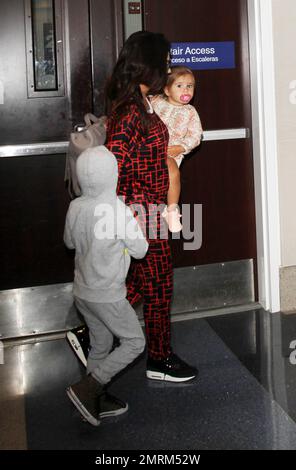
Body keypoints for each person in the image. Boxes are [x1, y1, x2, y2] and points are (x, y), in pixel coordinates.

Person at [68, 31, 198, 383]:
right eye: (165, 62)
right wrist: (123, 218)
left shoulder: (140, 102)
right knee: (158, 286)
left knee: (142, 283)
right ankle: (159, 357)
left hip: (147, 209)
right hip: (140, 212)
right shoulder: (129, 111)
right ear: (149, 65)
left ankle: (89, 330)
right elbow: (114, 166)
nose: (168, 68)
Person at [64, 146, 148, 426]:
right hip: (108, 294)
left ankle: (92, 399)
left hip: (82, 292)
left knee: (101, 343)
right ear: (114, 174)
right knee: (135, 342)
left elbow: (70, 243)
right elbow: (140, 250)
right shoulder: (119, 211)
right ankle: (90, 387)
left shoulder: (75, 206)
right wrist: (135, 224)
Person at [151, 66, 203, 232]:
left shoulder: (190, 112)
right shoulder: (156, 102)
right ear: (167, 90)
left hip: (171, 154)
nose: (186, 89)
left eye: (190, 86)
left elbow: (196, 135)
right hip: (150, 151)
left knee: (173, 173)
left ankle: (172, 211)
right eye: (179, 85)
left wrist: (181, 147)